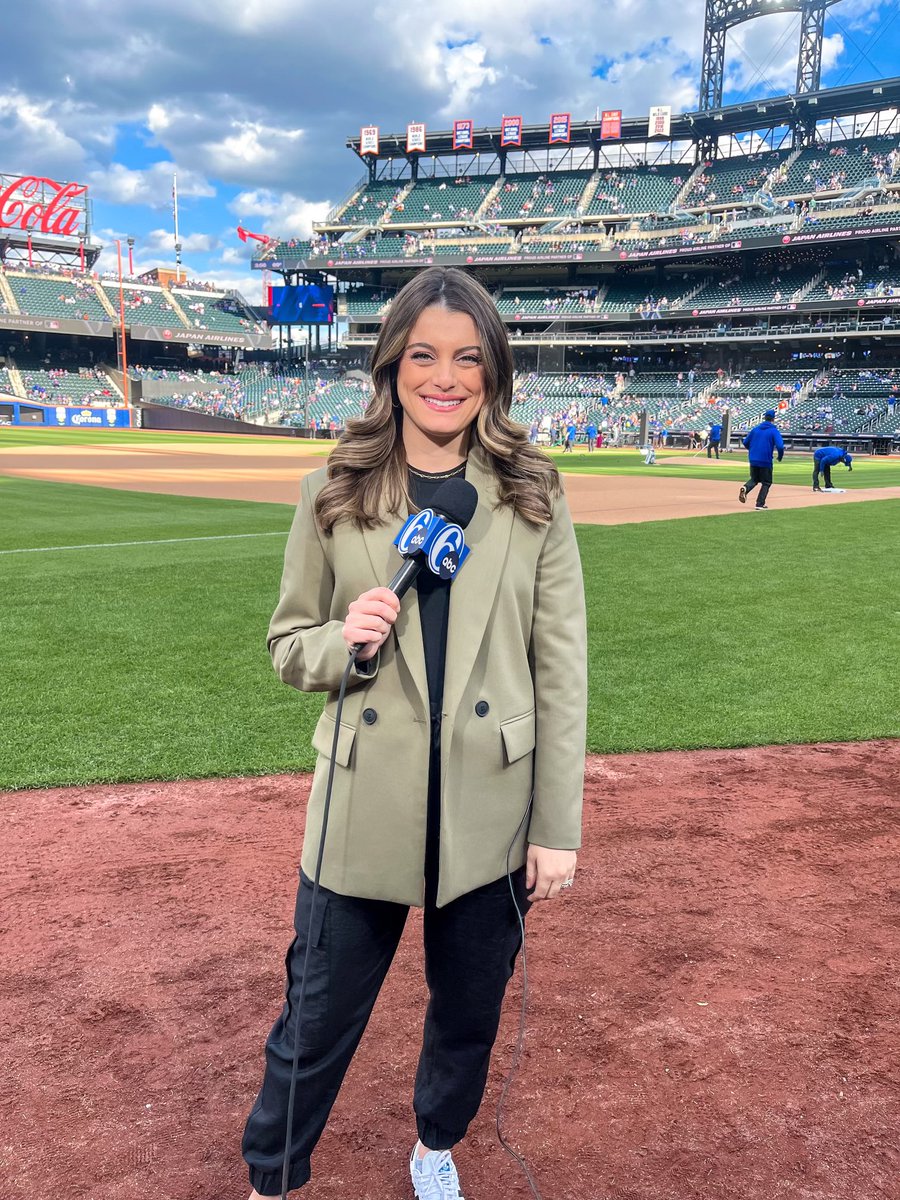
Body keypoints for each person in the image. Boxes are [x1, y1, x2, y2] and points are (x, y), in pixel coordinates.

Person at [241, 266, 588, 1200]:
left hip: (492, 812)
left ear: (494, 374)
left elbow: (561, 669)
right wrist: (342, 644)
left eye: (470, 358)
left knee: (468, 1013)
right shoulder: (332, 489)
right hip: (364, 804)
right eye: (425, 354)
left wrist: (558, 825)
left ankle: (436, 1143)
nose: (447, 375)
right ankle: (273, 1178)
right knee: (314, 1018)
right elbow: (286, 645)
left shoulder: (533, 496)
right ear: (392, 364)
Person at [739, 409, 784, 510]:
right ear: (773, 419)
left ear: (764, 418)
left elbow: (746, 442)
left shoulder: (755, 429)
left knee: (754, 479)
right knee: (766, 482)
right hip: (765, 460)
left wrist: (753, 450)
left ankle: (746, 488)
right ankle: (760, 503)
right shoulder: (773, 431)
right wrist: (780, 456)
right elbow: (780, 446)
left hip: (753, 459)